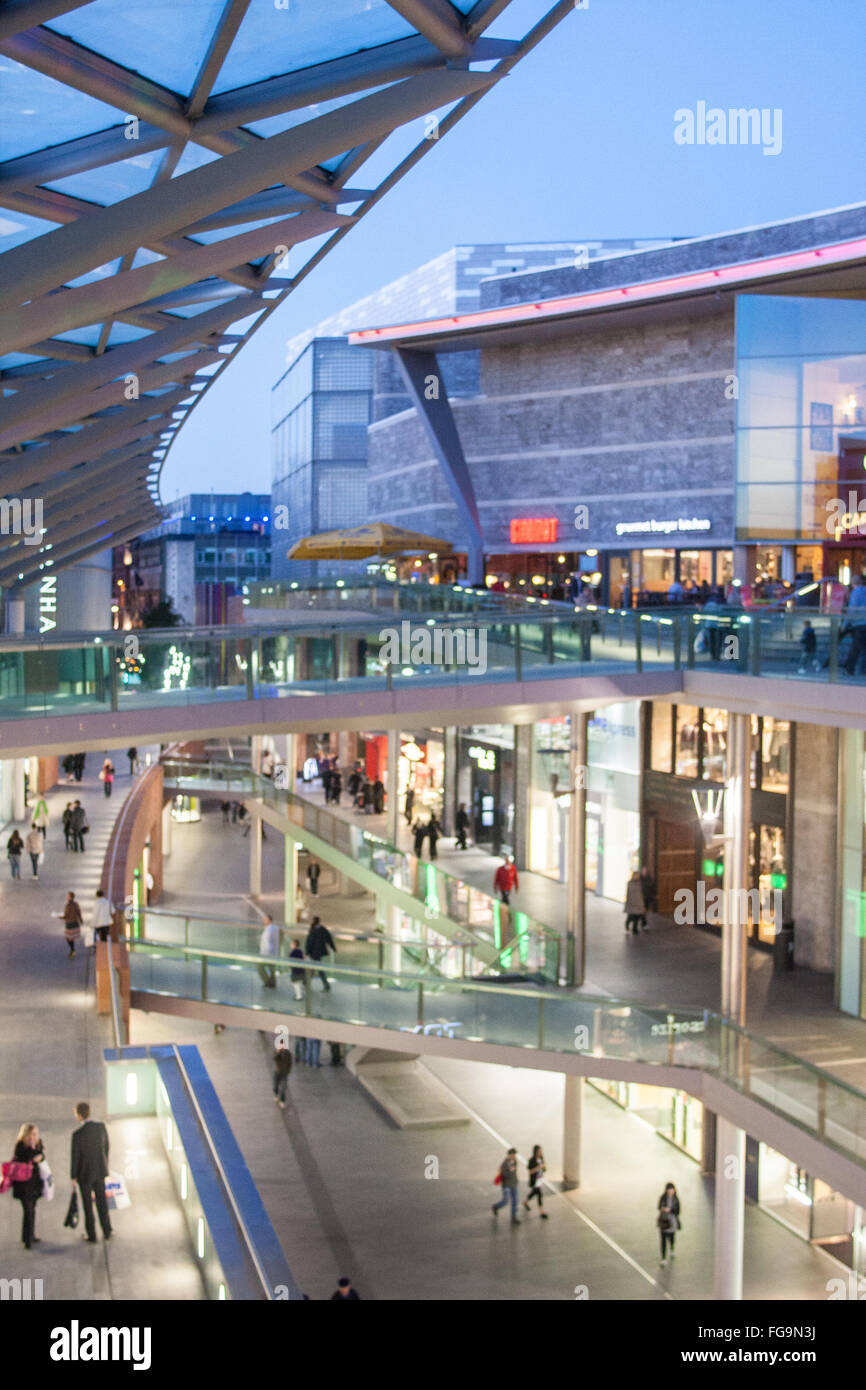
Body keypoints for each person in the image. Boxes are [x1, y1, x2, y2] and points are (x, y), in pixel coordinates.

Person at [70, 1102, 111, 1244]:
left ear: (79, 1116)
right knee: (102, 1202)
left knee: (88, 1206)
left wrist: (73, 1176)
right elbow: (106, 1147)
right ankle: (107, 1231)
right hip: (100, 1170)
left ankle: (91, 1234)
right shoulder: (101, 1128)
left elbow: (75, 1157)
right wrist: (104, 1164)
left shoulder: (77, 1135)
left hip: (84, 1174)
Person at [11, 1122, 45, 1249]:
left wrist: (40, 1156)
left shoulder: (38, 1143)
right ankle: (28, 1240)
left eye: (35, 1134)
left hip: (35, 1183)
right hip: (23, 1184)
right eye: (32, 1134)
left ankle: (29, 1235)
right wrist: (31, 1148)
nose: (34, 1137)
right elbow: (24, 1158)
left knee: (32, 1210)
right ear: (26, 1135)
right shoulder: (20, 1146)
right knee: (28, 1210)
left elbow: (42, 1155)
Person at [305, 915, 336, 991]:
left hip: (314, 953)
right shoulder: (323, 929)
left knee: (317, 969)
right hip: (320, 952)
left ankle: (325, 985)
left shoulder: (312, 930)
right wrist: (333, 948)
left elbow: (309, 942)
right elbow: (329, 939)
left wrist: (307, 952)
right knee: (315, 968)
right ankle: (307, 984)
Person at [844, 574, 866, 676]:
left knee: (856, 648)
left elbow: (852, 610)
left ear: (853, 583)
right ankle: (861, 669)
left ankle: (850, 667)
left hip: (859, 624)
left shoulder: (856, 593)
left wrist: (845, 624)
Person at [491, 1148, 520, 1224]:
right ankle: (496, 1206)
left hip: (514, 1184)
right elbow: (503, 1174)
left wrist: (516, 1179)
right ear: (509, 1155)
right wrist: (510, 1171)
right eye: (513, 1155)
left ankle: (513, 1217)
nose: (514, 1156)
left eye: (515, 1155)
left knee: (515, 1201)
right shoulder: (504, 1163)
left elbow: (515, 1172)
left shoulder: (515, 1161)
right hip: (506, 1185)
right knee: (506, 1201)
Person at [657, 1181, 681, 1265]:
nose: (671, 1191)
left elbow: (678, 1211)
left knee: (671, 1237)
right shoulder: (663, 1198)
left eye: (672, 1189)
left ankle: (672, 1248)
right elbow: (659, 1206)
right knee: (663, 1239)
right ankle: (663, 1258)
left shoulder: (676, 1200)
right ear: (666, 1190)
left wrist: (670, 1210)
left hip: (672, 1222)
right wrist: (663, 1208)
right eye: (669, 1189)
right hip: (664, 1222)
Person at [524, 1144, 548, 1218]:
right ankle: (541, 1211)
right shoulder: (532, 1160)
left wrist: (544, 1167)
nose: (540, 1152)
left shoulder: (541, 1159)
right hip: (535, 1180)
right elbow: (530, 1171)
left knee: (534, 1192)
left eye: (541, 1151)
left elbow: (544, 1169)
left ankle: (526, 1202)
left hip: (539, 1179)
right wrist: (538, 1168)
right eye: (539, 1151)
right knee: (539, 1194)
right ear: (535, 1152)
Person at [258, 914, 280, 989]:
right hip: (273, 953)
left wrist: (265, 954)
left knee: (260, 968)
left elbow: (267, 943)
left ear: (269, 921)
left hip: (266, 954)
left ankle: (268, 982)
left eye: (265, 920)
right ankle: (273, 984)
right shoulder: (275, 928)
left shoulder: (268, 930)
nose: (264, 921)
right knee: (272, 969)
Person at [624, 870, 646, 935]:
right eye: (637, 875)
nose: (638, 876)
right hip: (632, 902)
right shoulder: (630, 883)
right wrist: (628, 902)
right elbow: (628, 894)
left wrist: (642, 903)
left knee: (637, 916)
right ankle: (628, 923)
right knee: (632, 916)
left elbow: (641, 894)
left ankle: (634, 929)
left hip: (639, 902)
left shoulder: (640, 883)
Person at [62, 890, 83, 957]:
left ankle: (72, 950)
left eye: (67, 896)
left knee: (68, 938)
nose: (66, 897)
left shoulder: (67, 905)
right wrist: (81, 920)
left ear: (70, 897)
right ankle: (72, 950)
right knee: (71, 938)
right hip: (75, 922)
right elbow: (78, 912)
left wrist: (59, 916)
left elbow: (66, 915)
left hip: (69, 923)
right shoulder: (76, 904)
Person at [273, 1040, 292, 1108]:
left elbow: (290, 1063)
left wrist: (288, 1071)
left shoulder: (288, 1053)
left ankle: (282, 1100)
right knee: (275, 1085)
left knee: (284, 1087)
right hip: (277, 1072)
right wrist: (278, 1052)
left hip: (284, 1073)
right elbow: (274, 1059)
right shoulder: (277, 1052)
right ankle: (276, 1093)